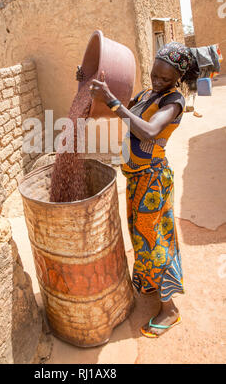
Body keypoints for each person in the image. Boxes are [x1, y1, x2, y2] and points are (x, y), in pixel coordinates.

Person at [82, 42, 199, 338]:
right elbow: (122, 116)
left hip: (153, 182)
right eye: (155, 75)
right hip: (136, 179)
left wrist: (113, 102)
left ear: (177, 80)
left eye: (165, 79)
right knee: (140, 236)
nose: (158, 82)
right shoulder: (148, 95)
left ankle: (169, 309)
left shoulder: (173, 102)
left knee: (155, 241)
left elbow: (148, 131)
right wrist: (92, 90)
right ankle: (150, 285)